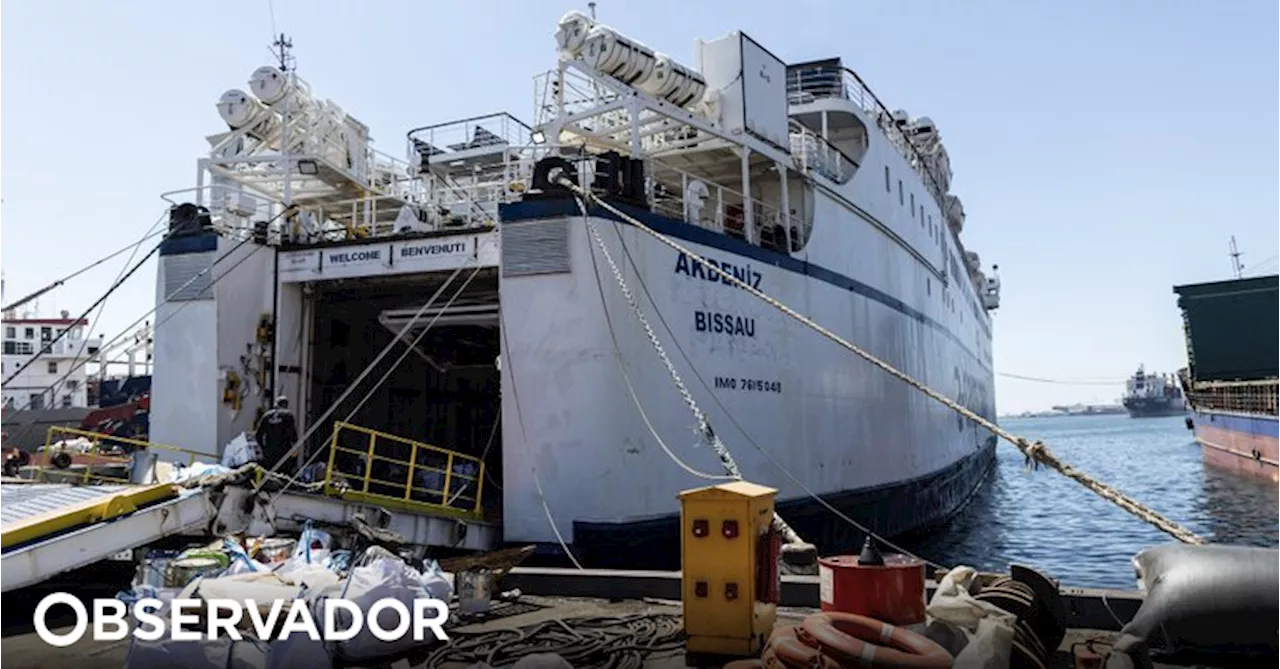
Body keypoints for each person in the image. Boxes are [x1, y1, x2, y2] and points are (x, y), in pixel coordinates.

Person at [255, 395, 299, 473]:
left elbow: (258, 435)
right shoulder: (288, 415)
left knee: (270, 475)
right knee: (284, 475)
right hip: (284, 451)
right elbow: (292, 433)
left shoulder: (266, 416)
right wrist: (295, 447)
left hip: (269, 452)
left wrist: (264, 448)